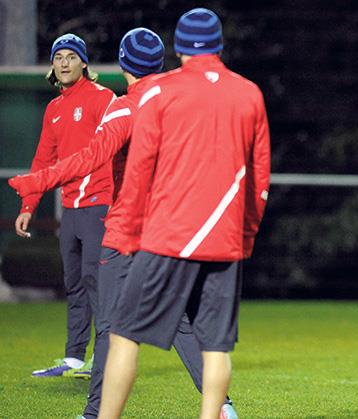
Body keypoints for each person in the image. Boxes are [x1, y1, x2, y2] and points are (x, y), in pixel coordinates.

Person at [9, 27, 239, 419]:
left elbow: (90, 158)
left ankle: (94, 413)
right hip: (167, 229)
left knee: (110, 323)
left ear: (123, 64)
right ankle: (222, 408)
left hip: (126, 231)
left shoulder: (123, 107)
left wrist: (37, 182)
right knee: (178, 319)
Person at [97, 8, 270, 419]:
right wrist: (245, 236)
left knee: (124, 335)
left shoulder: (159, 92)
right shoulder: (249, 93)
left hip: (167, 237)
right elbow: (259, 178)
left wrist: (125, 234)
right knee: (216, 347)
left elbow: (139, 171)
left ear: (178, 49)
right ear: (219, 46)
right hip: (224, 241)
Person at [15, 33, 115, 378]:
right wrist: (28, 206)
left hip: (100, 204)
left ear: (84, 63)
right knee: (74, 282)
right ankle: (74, 358)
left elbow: (116, 148)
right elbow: (43, 161)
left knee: (95, 281)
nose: (64, 63)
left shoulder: (103, 98)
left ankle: (104, 360)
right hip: (71, 210)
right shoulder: (54, 109)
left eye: (71, 57)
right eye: (59, 58)